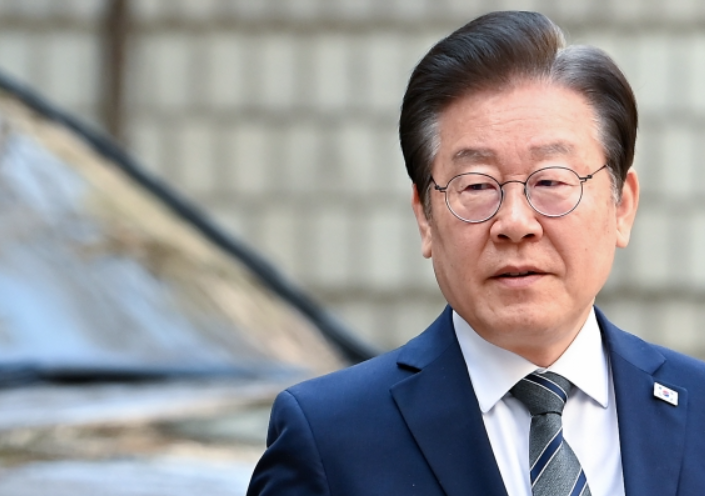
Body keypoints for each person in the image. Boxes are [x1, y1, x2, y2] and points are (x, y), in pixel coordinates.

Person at [247, 11, 705, 496]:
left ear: (622, 206)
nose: (515, 223)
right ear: (425, 216)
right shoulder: (329, 439)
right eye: (477, 185)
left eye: (551, 181)